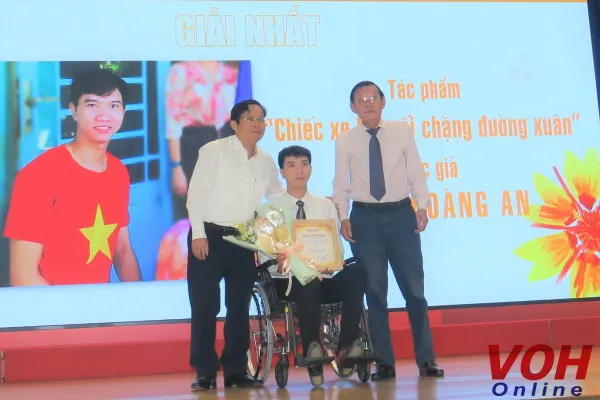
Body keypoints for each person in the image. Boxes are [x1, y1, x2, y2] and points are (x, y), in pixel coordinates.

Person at [332, 81, 444, 380]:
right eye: (361, 99)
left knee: (415, 292)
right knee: (375, 293)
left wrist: (422, 205)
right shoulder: (344, 140)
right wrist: (342, 216)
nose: (367, 103)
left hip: (401, 216)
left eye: (373, 97)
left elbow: (416, 171)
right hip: (365, 219)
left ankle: (427, 360)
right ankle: (384, 362)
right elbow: (341, 182)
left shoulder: (402, 131)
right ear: (352, 107)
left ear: (383, 102)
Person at [4, 68, 141, 286]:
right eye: (92, 104)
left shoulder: (118, 172)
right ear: (74, 111)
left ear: (123, 112)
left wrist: (138, 302)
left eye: (113, 106)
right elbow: (22, 276)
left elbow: (123, 251)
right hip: (54, 306)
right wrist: (73, 310)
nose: (104, 115)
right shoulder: (39, 175)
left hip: (99, 305)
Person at [185, 99, 285, 391]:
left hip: (243, 238)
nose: (257, 124)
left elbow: (278, 197)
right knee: (205, 306)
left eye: (261, 119)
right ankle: (205, 371)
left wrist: (300, 208)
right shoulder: (214, 150)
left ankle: (235, 370)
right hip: (209, 237)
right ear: (234, 124)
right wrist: (199, 234)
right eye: (251, 118)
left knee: (239, 306)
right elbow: (195, 195)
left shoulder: (265, 160)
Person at [266, 145, 367, 387]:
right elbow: (265, 255)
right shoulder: (271, 209)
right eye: (291, 165)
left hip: (324, 279)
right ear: (282, 172)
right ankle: (312, 347)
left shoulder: (326, 206)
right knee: (307, 279)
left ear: (310, 169)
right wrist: (288, 261)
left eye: (304, 164)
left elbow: (337, 249)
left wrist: (332, 263)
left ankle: (346, 345)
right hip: (288, 283)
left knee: (358, 271)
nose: (299, 170)